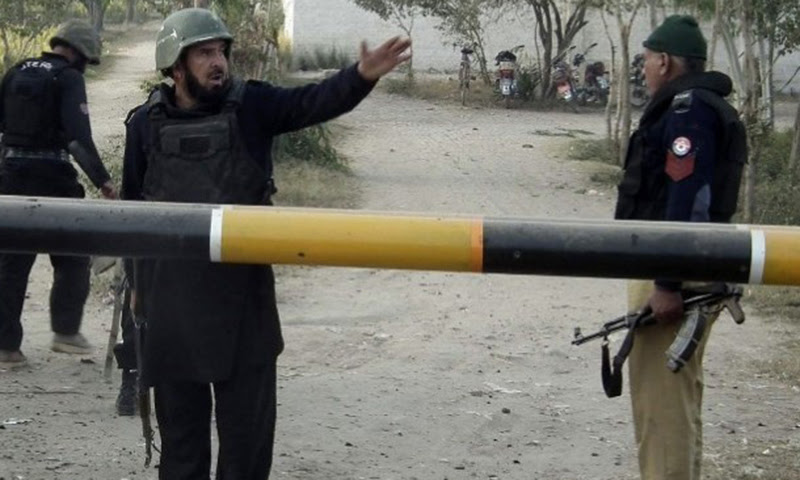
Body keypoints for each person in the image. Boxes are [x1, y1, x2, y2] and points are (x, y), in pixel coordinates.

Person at [121, 8, 410, 478]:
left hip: (243, 306)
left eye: (221, 52)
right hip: (172, 310)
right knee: (182, 454)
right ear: (175, 66)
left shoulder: (251, 107)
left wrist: (360, 77)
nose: (219, 62)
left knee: (246, 453)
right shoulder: (144, 126)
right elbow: (131, 216)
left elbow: (311, 103)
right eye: (204, 54)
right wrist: (135, 294)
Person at [614, 15, 746, 480]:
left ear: (665, 61)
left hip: (675, 275)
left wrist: (667, 283)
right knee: (677, 404)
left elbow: (685, 200)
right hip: (686, 269)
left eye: (648, 60)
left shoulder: (688, 111)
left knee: (662, 411)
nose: (645, 69)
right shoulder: (695, 106)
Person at [0, 19, 118, 367]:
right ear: (77, 52)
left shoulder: (16, 71)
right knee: (72, 253)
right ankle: (66, 332)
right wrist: (104, 181)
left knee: (11, 265)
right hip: (54, 179)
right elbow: (78, 137)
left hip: (12, 179)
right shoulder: (68, 78)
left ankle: (6, 349)